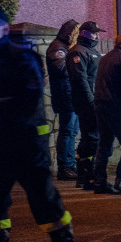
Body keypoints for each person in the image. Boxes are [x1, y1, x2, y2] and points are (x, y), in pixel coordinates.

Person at [0, 8, 87, 242]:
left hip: (27, 145)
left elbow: (28, 97)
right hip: (3, 146)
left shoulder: (22, 56)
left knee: (45, 201)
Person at [93, 33, 121, 194]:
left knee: (104, 145)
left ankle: (99, 182)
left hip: (101, 106)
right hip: (119, 108)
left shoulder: (104, 59)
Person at [67, 20, 104, 190]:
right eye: (94, 33)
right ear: (84, 34)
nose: (97, 36)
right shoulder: (78, 52)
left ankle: (86, 174)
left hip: (94, 99)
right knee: (91, 137)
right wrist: (90, 100)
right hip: (86, 102)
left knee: (91, 137)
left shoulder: (90, 51)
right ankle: (85, 175)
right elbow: (80, 79)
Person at [46, 19, 80, 180]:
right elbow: (60, 68)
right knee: (67, 131)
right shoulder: (57, 48)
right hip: (65, 96)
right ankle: (64, 167)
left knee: (72, 132)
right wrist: (75, 63)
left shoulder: (64, 47)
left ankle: (70, 165)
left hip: (70, 95)